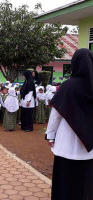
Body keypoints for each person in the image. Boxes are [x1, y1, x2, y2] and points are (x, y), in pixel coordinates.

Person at [46, 49, 93, 200]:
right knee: (86, 183)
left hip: (65, 144)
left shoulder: (67, 86)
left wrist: (50, 135)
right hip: (90, 148)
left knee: (65, 183)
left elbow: (56, 115)